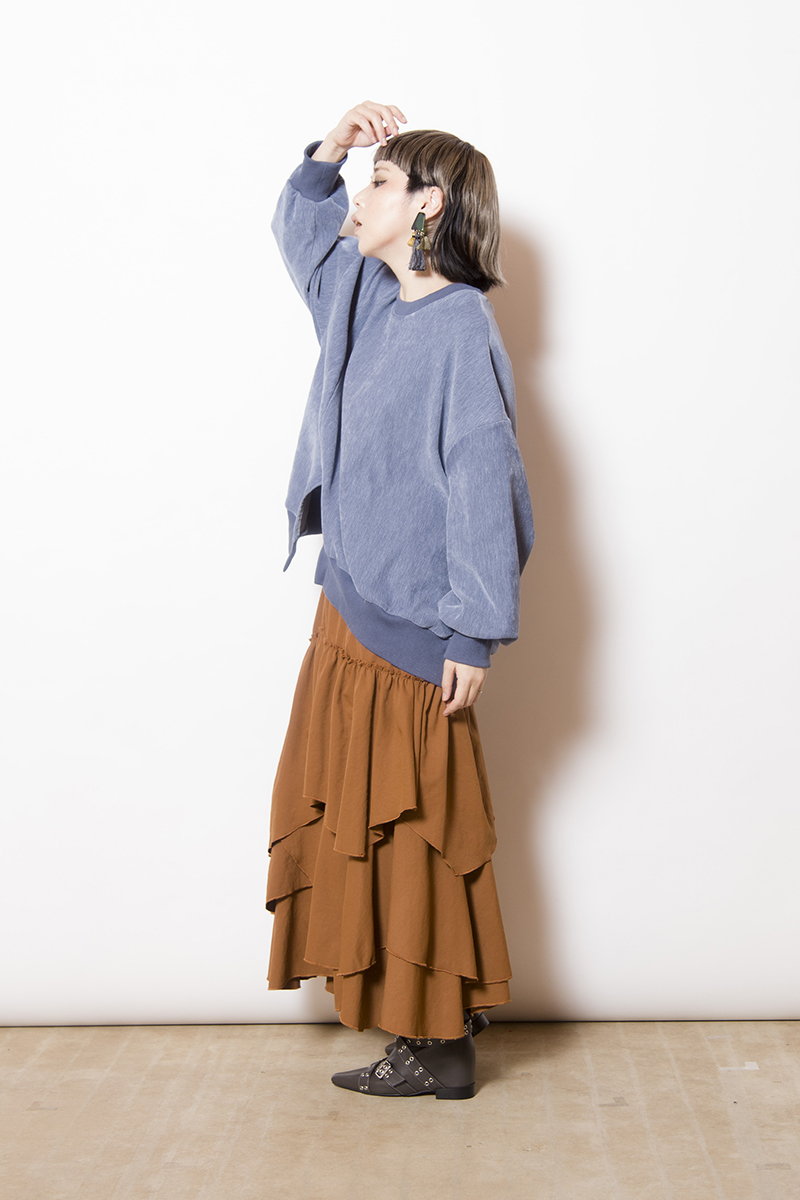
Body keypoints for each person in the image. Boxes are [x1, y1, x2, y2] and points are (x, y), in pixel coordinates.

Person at [264, 101, 535, 1100]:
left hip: (416, 629)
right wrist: (330, 151)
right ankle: (423, 1029)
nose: (359, 195)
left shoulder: (459, 328)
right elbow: (302, 233)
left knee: (414, 829)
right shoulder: (361, 292)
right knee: (354, 817)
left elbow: (484, 484)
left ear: (428, 207)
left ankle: (440, 1044)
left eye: (380, 182)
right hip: (347, 602)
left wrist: (473, 631)